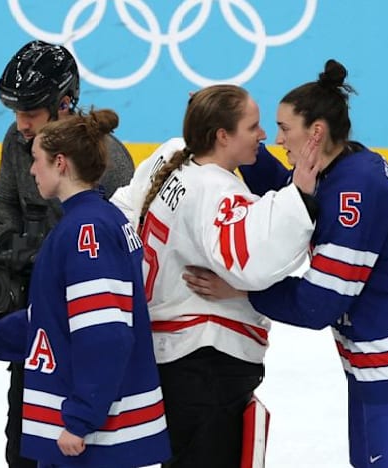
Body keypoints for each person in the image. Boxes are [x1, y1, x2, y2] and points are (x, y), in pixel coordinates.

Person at [236, 59, 388, 467]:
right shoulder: (342, 168)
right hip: (380, 364)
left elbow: (318, 304)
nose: (277, 138)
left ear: (316, 132)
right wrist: (235, 143)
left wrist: (241, 287)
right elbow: (287, 189)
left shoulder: (354, 191)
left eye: (284, 128)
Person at [109, 84, 320, 467]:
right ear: (222, 135)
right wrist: (302, 194)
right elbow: (255, 261)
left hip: (169, 357)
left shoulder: (172, 156)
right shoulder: (215, 190)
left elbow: (123, 207)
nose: (263, 136)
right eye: (252, 127)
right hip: (206, 363)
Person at [0, 108, 171, 467]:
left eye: (37, 159)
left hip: (92, 443)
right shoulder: (94, 220)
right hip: (89, 436)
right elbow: (52, 319)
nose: (31, 170)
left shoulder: (87, 232)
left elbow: (106, 334)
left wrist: (81, 419)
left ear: (60, 163)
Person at [0, 39, 135, 468]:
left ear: (64, 103)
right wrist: (13, 248)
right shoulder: (16, 141)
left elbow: (125, 241)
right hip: (38, 323)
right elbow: (4, 201)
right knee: (22, 450)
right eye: (15, 112)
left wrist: (57, 263)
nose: (21, 125)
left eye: (30, 113)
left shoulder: (109, 160)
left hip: (89, 325)